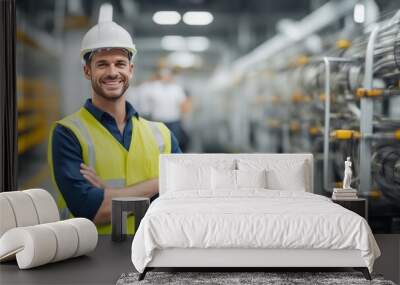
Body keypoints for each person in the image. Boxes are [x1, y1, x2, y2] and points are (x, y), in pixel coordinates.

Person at [48, 4, 181, 234]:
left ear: (131, 69)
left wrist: (110, 194)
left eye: (119, 63)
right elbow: (94, 210)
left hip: (153, 252)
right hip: (91, 257)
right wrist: (161, 182)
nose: (112, 72)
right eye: (102, 64)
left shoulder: (161, 134)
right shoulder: (67, 133)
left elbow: (183, 195)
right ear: (87, 71)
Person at [147, 68, 192, 151]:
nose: (166, 77)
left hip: (174, 121)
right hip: (158, 121)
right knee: (158, 145)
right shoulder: (153, 87)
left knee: (173, 144)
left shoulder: (176, 88)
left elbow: (183, 105)